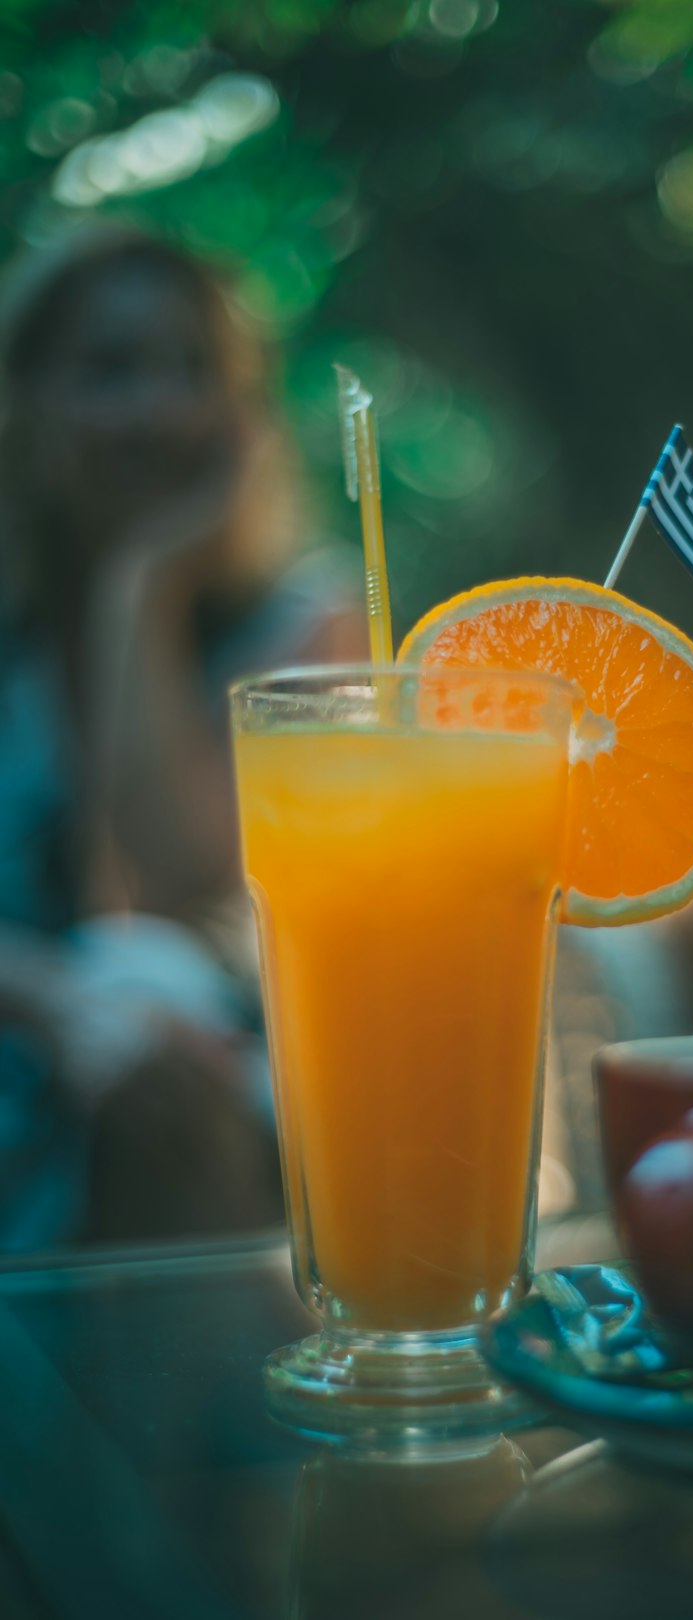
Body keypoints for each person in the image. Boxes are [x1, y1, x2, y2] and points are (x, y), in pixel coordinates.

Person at [0, 224, 368, 1249]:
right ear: (25, 398)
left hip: (213, 1083)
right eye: (110, 371)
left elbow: (169, 888)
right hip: (31, 1052)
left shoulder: (305, 621)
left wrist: (141, 589)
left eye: (196, 372)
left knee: (151, 1010)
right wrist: (56, 1005)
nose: (162, 410)